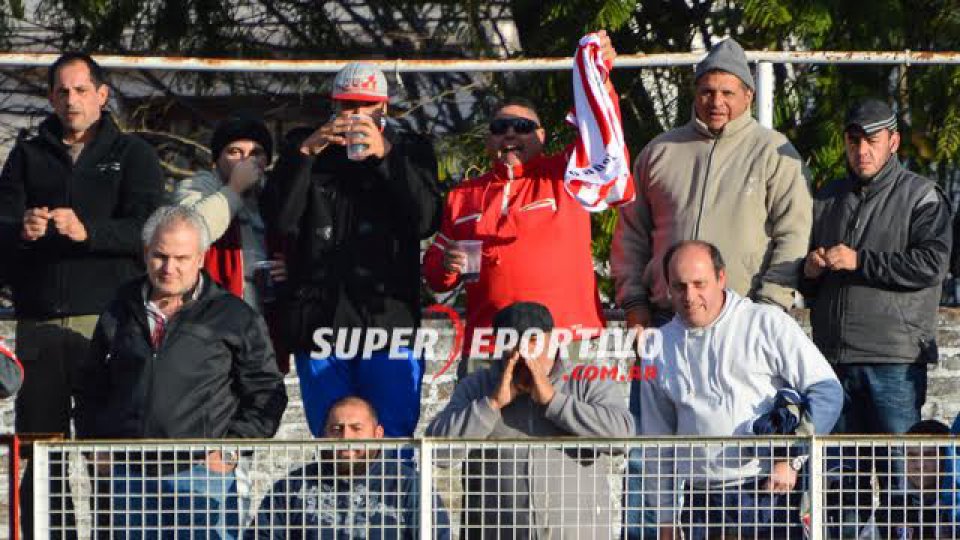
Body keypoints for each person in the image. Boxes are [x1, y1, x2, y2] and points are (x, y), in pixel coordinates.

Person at [611, 38, 812, 537]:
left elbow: (794, 233)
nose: (715, 100)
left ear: (746, 95)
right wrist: (635, 303)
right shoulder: (660, 151)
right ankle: (660, 528)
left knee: (748, 452)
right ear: (693, 93)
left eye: (726, 91)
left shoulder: (773, 152)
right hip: (663, 321)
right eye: (706, 90)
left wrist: (766, 308)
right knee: (655, 446)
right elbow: (630, 234)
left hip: (744, 326)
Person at [0, 51, 164, 538]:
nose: (71, 100)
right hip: (41, 323)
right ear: (50, 98)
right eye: (61, 92)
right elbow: (1, 226)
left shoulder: (133, 153)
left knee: (106, 448)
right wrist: (21, 231)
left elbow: (149, 229)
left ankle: (117, 533)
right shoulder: (26, 154)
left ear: (101, 95)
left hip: (109, 321)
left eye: (80, 90)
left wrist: (89, 231)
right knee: (41, 449)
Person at [422, 30, 634, 376]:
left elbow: (602, 140)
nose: (510, 133)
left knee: (566, 428)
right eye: (500, 126)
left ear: (541, 136)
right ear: (489, 138)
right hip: (488, 342)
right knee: (481, 431)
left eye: (522, 126)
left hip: (565, 338)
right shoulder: (463, 194)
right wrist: (446, 263)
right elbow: (435, 276)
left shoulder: (567, 175)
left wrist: (599, 78)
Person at [75, 205, 288, 539]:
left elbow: (267, 391)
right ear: (145, 253)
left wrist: (232, 448)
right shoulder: (120, 306)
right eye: (160, 256)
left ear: (201, 258)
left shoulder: (233, 315)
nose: (169, 268)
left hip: (204, 475)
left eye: (182, 258)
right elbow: (91, 385)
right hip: (128, 475)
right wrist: (94, 444)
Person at [262, 62, 441, 438]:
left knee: (391, 436)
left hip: (387, 325)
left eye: (367, 105)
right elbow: (280, 220)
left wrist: (387, 156)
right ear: (333, 106)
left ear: (385, 108)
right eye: (347, 106)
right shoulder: (308, 147)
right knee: (332, 438)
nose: (356, 115)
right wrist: (307, 152)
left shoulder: (411, 148)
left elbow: (426, 220)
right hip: (320, 323)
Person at [637, 241, 841, 539]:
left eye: (699, 284)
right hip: (699, 501)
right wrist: (666, 519)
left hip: (766, 491)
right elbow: (657, 441)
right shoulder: (657, 346)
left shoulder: (767, 322)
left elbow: (827, 391)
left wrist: (792, 458)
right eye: (679, 286)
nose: (690, 296)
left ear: (721, 278)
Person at [803, 98, 952, 437]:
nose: (862, 150)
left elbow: (931, 265)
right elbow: (810, 285)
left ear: (893, 142)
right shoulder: (827, 198)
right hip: (832, 360)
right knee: (840, 484)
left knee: (901, 478)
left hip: (894, 361)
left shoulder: (922, 195)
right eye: (854, 141)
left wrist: (860, 261)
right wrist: (809, 272)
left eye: (872, 140)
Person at [426, 301, 635, 538]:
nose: (523, 355)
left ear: (553, 341)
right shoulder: (478, 386)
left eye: (533, 343)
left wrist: (554, 401)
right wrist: (491, 404)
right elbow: (437, 451)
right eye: (512, 345)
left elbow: (624, 436)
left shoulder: (584, 381)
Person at [172, 113, 291, 370]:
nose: (246, 160)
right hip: (210, 325)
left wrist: (293, 265)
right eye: (235, 151)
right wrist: (234, 190)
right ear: (217, 159)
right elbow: (191, 231)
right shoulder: (198, 186)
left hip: (265, 326)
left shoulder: (278, 195)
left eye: (256, 152)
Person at [247, 396, 450, 539]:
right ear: (323, 436)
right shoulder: (291, 487)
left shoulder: (410, 484)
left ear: (378, 434)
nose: (346, 438)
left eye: (356, 428)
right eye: (336, 429)